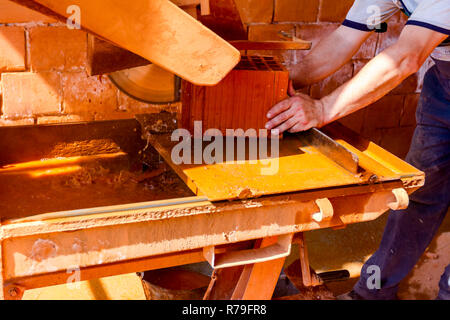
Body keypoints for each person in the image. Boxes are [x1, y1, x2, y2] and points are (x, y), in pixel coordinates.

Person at [265, 0, 449, 300]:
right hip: (444, 88)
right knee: (420, 194)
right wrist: (281, 83)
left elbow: (406, 58)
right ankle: (372, 293)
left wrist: (323, 108)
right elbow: (345, 38)